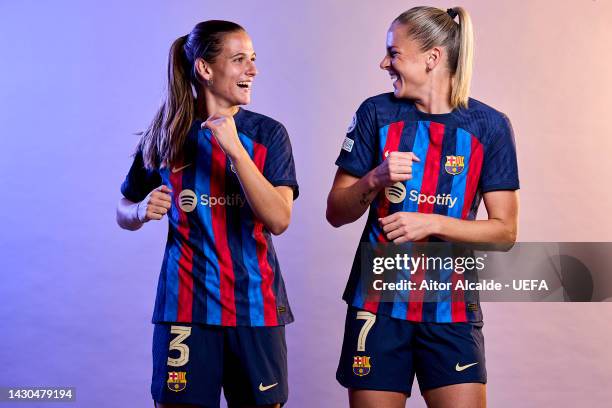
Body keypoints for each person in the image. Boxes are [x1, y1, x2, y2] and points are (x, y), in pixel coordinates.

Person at [327, 6, 519, 408]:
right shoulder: (374, 113)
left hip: (450, 309)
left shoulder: (489, 125)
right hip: (376, 306)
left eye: (393, 53)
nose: (384, 62)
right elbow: (336, 212)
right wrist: (375, 178)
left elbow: (504, 232)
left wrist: (431, 222)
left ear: (432, 58)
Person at [116, 20, 298, 408]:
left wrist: (235, 150)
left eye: (253, 59)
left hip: (255, 309)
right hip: (184, 311)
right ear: (205, 69)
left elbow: (279, 219)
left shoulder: (268, 134)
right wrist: (139, 212)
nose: (253, 69)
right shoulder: (166, 134)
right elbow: (122, 208)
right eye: (239, 60)